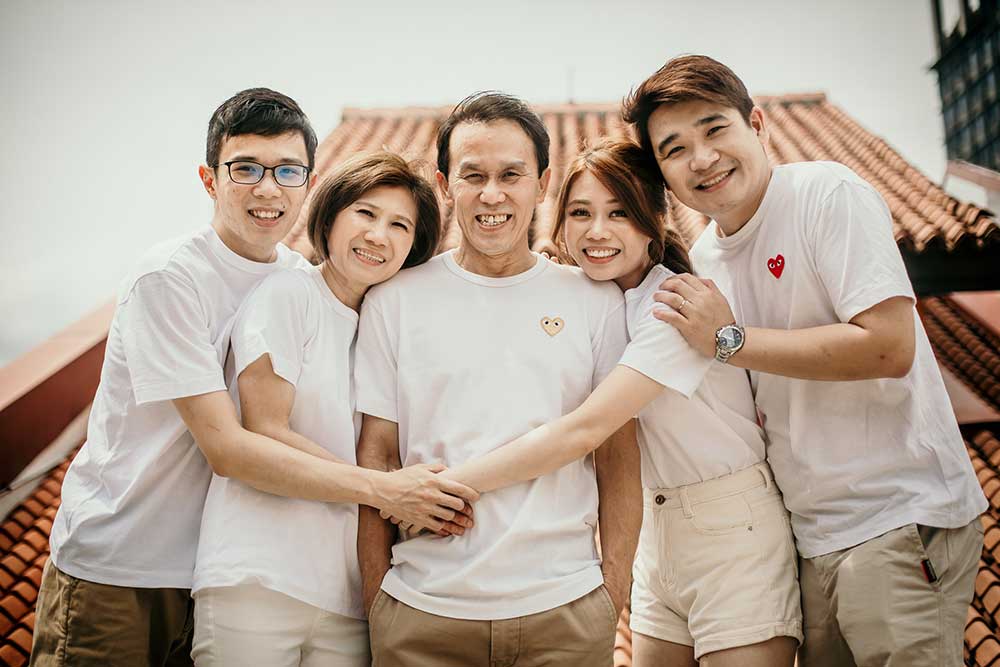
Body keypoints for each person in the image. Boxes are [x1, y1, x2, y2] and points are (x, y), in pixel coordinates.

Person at [31, 89, 476, 667]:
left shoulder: (310, 283)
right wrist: (387, 491)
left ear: (307, 184)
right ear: (210, 178)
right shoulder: (170, 280)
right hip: (124, 563)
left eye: (287, 171)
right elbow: (231, 446)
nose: (268, 189)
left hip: (210, 559)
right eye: (246, 169)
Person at [623, 54, 987, 667]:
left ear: (757, 125)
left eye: (715, 130)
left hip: (894, 517)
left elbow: (888, 345)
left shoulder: (827, 194)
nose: (702, 158)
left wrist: (730, 340)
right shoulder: (704, 261)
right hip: (807, 537)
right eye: (675, 148)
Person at [417, 138, 801, 667]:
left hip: (731, 528)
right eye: (580, 213)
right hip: (656, 531)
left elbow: (583, 431)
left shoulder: (673, 307)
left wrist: (446, 492)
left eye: (619, 213)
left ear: (653, 223)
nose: (597, 231)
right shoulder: (591, 301)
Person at [355, 92, 642, 667]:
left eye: (511, 174)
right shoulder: (393, 301)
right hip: (420, 613)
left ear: (542, 182)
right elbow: (376, 459)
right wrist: (377, 600)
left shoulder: (594, 300)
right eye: (473, 175)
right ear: (444, 184)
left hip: (565, 610)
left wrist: (612, 593)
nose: (492, 194)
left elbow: (617, 458)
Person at [191, 152, 449, 667]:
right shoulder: (289, 294)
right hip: (259, 578)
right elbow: (263, 428)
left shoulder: (387, 328)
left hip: (346, 594)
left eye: (400, 225)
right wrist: (387, 490)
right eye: (366, 213)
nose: (379, 235)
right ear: (330, 217)